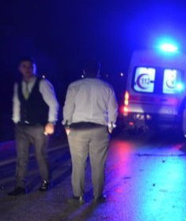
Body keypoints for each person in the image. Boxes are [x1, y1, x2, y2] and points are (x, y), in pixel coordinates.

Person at [62, 61, 118, 203]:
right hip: (100, 129)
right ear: (98, 71)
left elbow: (68, 107)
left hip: (78, 128)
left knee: (78, 163)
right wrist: (111, 125)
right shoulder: (107, 87)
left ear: (84, 70)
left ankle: (77, 195)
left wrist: (66, 124)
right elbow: (113, 109)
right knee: (98, 163)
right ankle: (98, 195)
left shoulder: (74, 86)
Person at [8, 57, 59, 195]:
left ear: (34, 68)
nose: (27, 69)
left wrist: (51, 122)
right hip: (21, 127)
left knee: (41, 155)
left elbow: (53, 103)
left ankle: (46, 181)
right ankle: (20, 186)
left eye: (30, 66)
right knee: (21, 157)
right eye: (24, 66)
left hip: (38, 126)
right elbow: (17, 103)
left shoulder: (43, 83)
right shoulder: (18, 85)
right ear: (20, 69)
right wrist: (16, 121)